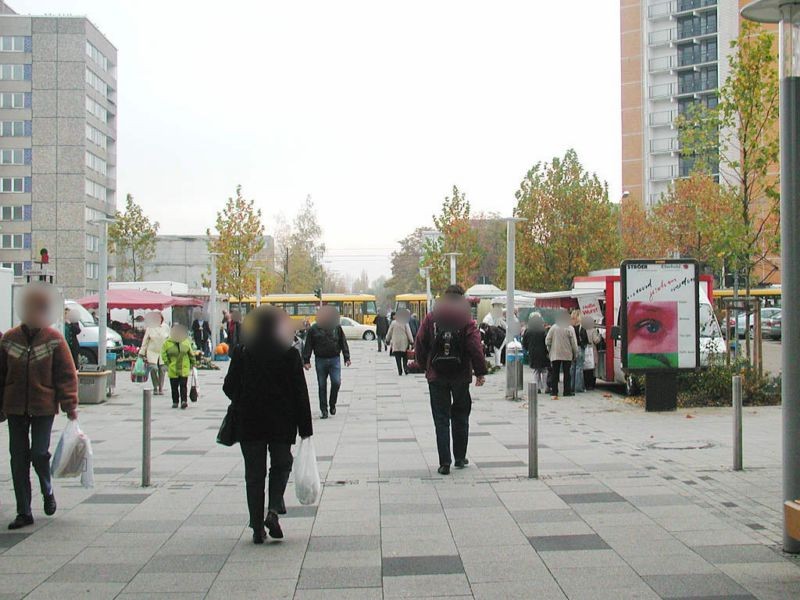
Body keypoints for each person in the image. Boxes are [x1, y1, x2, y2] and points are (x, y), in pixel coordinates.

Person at [223, 306, 313, 544]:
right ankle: (273, 509)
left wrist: (246, 394)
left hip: (249, 422)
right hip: (281, 422)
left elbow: (228, 387)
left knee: (254, 474)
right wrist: (306, 429)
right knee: (282, 465)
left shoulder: (243, 352)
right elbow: (300, 394)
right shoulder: (289, 354)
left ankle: (256, 526)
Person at [0, 283, 79, 530]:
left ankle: (47, 490)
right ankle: (24, 510)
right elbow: (1, 375)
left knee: (39, 453)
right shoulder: (9, 339)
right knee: (18, 457)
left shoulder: (54, 339)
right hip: (14, 406)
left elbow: (66, 375)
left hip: (43, 406)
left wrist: (70, 406)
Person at [414, 284, 487, 475]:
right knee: (461, 415)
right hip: (461, 375)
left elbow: (420, 342)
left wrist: (425, 366)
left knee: (441, 418)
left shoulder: (432, 317)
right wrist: (480, 372)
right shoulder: (466, 319)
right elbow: (475, 346)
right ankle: (460, 457)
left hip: (436, 375)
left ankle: (444, 462)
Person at [302, 305, 350, 419]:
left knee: (336, 382)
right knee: (322, 385)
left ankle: (332, 404)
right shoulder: (314, 329)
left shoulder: (336, 327)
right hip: (320, 360)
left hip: (334, 359)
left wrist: (346, 357)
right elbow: (308, 345)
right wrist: (306, 360)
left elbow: (343, 342)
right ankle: (324, 410)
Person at [161, 324, 196, 409]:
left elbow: (191, 354)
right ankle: (175, 401)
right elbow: (163, 353)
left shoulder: (186, 342)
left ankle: (184, 401)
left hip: (184, 367)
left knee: (183, 385)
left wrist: (193, 363)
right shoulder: (167, 343)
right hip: (173, 368)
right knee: (174, 386)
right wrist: (167, 362)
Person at [545, 311, 579, 396]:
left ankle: (554, 391)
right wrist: (575, 354)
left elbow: (547, 340)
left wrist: (550, 350)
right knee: (567, 374)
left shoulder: (553, 327)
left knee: (555, 373)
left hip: (555, 354)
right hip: (567, 354)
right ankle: (566, 391)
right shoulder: (570, 328)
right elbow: (574, 343)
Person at [139, 311, 170, 396]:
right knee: (153, 368)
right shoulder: (150, 328)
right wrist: (142, 352)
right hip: (152, 351)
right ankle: (155, 386)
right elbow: (145, 341)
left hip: (163, 352)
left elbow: (169, 340)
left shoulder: (166, 327)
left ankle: (160, 387)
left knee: (162, 370)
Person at [522, 312, 550, 393]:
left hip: (533, 353)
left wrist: (528, 349)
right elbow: (547, 342)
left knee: (536, 370)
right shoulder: (543, 330)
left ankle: (537, 387)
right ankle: (546, 387)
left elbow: (524, 343)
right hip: (543, 352)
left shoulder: (528, 331)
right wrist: (547, 351)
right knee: (544, 370)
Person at [386, 309, 414, 376]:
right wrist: (411, 341)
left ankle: (400, 370)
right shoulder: (405, 323)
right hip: (404, 343)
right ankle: (405, 368)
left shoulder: (393, 323)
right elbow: (408, 333)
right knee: (405, 357)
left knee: (397, 357)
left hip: (396, 343)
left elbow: (389, 333)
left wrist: (387, 340)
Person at [482, 301, 506, 367]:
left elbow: (493, 339)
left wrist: (487, 344)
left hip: (502, 338)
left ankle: (498, 364)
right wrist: (486, 343)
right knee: (497, 350)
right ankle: (497, 363)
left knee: (497, 350)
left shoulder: (491, 329)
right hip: (500, 337)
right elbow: (488, 337)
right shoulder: (489, 325)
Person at [570, 310, 588, 393]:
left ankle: (571, 386)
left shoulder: (570, 328)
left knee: (572, 368)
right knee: (579, 368)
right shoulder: (581, 328)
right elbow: (585, 339)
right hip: (580, 348)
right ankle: (578, 387)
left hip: (571, 349)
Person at [582, 316, 599, 391]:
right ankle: (591, 385)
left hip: (585, 349)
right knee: (592, 368)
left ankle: (585, 384)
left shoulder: (583, 329)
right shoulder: (593, 330)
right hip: (592, 350)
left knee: (585, 368)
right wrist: (600, 336)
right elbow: (596, 340)